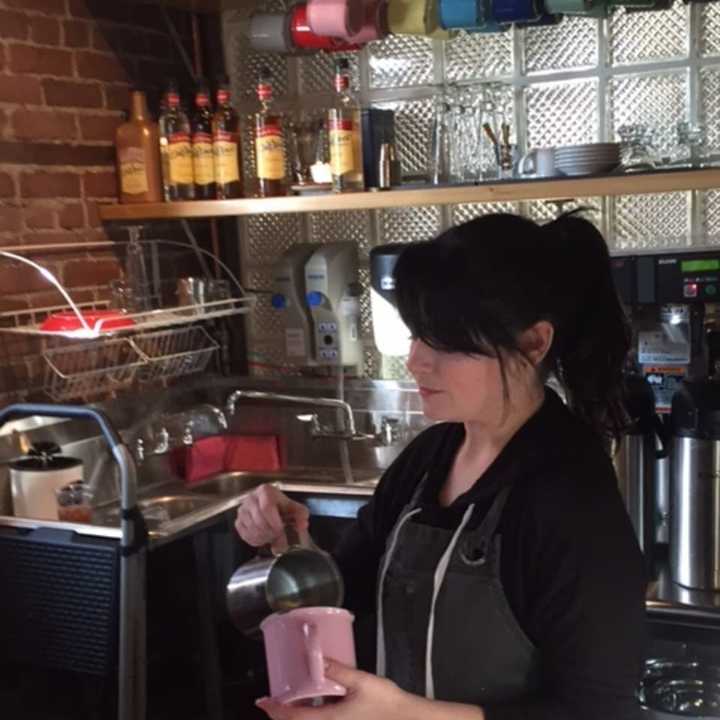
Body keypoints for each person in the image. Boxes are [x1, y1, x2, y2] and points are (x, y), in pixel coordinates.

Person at [235, 212, 647, 720]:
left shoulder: (570, 497)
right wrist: (293, 544)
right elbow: (351, 590)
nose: (415, 361)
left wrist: (407, 715)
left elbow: (600, 709)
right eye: (415, 334)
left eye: (444, 343)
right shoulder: (429, 458)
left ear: (533, 342)